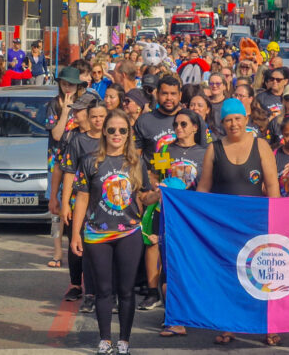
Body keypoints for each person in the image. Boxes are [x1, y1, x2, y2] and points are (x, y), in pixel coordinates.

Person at [71, 109, 161, 355]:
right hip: (97, 233)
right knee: (103, 290)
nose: (117, 134)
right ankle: (104, 341)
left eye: (122, 130)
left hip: (129, 233)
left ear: (129, 133)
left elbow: (144, 196)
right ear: (104, 132)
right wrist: (76, 234)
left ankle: (124, 342)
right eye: (111, 129)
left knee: (126, 290)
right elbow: (81, 198)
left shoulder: (135, 162)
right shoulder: (90, 161)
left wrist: (159, 193)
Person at [196, 98, 281, 346]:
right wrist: (193, 213)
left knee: (262, 273)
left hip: (256, 223)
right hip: (224, 226)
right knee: (228, 275)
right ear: (222, 123)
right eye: (228, 120)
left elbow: (273, 185)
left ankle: (269, 325)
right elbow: (204, 187)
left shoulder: (261, 146)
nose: (233, 124)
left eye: (237, 119)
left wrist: (275, 216)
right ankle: (228, 324)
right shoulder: (215, 149)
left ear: (246, 119)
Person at [133, 75, 182, 311]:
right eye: (164, 93)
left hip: (185, 198)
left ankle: (175, 291)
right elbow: (134, 158)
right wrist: (147, 182)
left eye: (173, 93)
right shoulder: (145, 121)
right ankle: (152, 291)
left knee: (179, 244)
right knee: (152, 241)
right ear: (157, 94)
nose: (169, 98)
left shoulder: (190, 119)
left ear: (180, 95)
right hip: (156, 194)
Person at [158, 108, 206, 338]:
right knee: (169, 265)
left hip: (193, 218)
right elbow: (158, 177)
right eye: (176, 124)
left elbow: (208, 187)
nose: (178, 128)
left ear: (196, 127)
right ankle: (174, 317)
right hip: (169, 217)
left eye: (184, 124)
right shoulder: (166, 149)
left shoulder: (206, 153)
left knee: (193, 265)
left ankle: (192, 312)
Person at [59, 94, 106, 312]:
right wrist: (64, 203)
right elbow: (68, 172)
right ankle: (78, 286)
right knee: (78, 243)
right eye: (94, 116)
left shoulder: (115, 138)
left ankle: (103, 292)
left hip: (107, 203)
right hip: (81, 199)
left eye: (102, 116)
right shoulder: (78, 140)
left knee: (101, 248)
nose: (98, 120)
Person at [45, 67, 88, 268]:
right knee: (55, 211)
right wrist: (64, 112)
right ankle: (56, 251)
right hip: (57, 164)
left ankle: (78, 245)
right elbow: (56, 135)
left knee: (74, 206)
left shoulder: (85, 105)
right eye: (63, 83)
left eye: (70, 84)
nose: (67, 87)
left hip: (78, 164)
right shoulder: (54, 104)